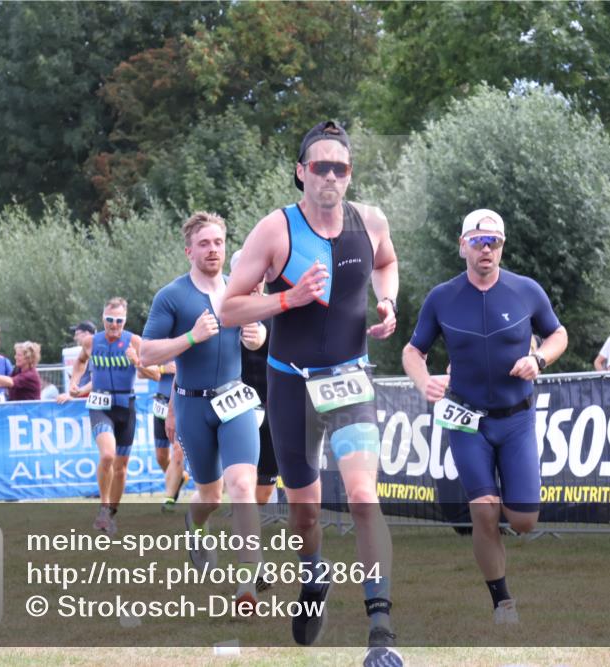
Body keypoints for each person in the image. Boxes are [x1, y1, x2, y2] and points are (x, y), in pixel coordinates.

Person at [220, 120, 401, 663]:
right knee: (305, 517)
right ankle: (313, 574)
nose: (329, 176)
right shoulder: (275, 231)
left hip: (351, 381)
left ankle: (381, 631)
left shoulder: (369, 222)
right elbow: (229, 308)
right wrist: (286, 300)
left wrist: (388, 302)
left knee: (365, 497)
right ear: (301, 172)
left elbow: (387, 263)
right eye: (318, 166)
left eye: (339, 168)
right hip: (291, 385)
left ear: (349, 175)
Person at [402, 208, 567, 626]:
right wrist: (424, 383)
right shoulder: (442, 297)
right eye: (477, 242)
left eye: (493, 242)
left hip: (516, 419)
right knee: (483, 511)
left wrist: (539, 359)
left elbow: (558, 333)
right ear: (463, 246)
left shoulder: (525, 290)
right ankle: (502, 601)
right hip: (466, 420)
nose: (486, 249)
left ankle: (509, 523)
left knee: (525, 520)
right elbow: (412, 351)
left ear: (502, 247)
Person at [141, 211, 265, 611]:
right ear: (189, 251)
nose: (213, 250)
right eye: (205, 244)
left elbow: (259, 338)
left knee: (243, 485)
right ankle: (194, 526)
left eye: (218, 242)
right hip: (193, 403)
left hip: (235, 400)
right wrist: (190, 337)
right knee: (209, 495)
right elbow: (147, 352)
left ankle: (247, 581)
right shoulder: (172, 296)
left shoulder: (239, 291)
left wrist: (257, 335)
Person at [70, 297, 160, 536]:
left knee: (120, 467)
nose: (114, 325)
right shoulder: (91, 342)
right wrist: (74, 381)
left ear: (125, 320)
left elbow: (156, 374)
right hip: (99, 404)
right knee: (108, 455)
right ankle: (102, 507)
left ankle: (110, 514)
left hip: (125, 406)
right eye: (109, 320)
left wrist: (137, 362)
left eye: (119, 321)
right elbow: (80, 362)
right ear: (103, 319)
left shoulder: (135, 341)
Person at [230, 249, 279, 507]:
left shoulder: (278, 308)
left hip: (272, 406)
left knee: (262, 492)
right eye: (248, 273)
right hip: (235, 406)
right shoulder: (222, 310)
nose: (255, 280)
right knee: (242, 482)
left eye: (260, 274)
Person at [151, 359, 189, 513]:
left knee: (178, 451)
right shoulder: (160, 340)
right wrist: (161, 369)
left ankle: (169, 498)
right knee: (161, 456)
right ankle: (178, 477)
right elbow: (141, 370)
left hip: (181, 404)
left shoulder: (190, 339)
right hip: (160, 405)